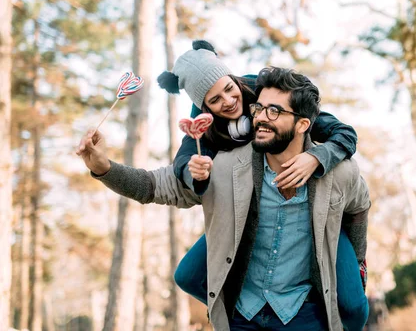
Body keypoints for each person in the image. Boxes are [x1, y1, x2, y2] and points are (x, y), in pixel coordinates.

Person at [78, 67, 370, 330]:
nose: (260, 118)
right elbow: (154, 185)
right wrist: (104, 168)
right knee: (188, 274)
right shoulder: (224, 166)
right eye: (258, 109)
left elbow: (359, 206)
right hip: (241, 317)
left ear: (303, 124)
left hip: (305, 316)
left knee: (355, 307)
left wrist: (356, 262)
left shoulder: (340, 172)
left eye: (274, 111)